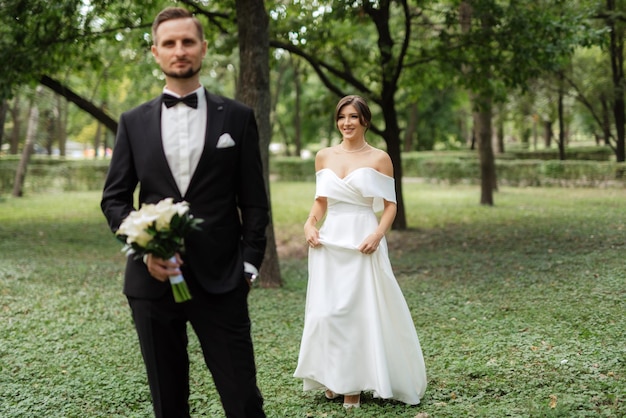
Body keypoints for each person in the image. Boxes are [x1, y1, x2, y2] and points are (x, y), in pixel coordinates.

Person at [101, 7, 269, 418]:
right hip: (151, 284)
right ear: (155, 52)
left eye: (188, 42)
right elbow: (115, 198)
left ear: (203, 48)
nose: (180, 51)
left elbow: (254, 201)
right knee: (168, 402)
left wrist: (248, 267)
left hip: (223, 280)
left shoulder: (239, 118)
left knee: (243, 400)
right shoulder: (132, 122)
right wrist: (144, 249)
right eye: (170, 43)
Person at [293, 95, 427, 409]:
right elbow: (321, 201)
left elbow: (391, 206)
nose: (347, 123)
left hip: (362, 239)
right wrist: (310, 224)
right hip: (329, 241)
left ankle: (353, 385)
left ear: (364, 120)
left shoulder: (380, 158)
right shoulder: (323, 156)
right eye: (342, 117)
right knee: (327, 312)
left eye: (353, 116)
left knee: (356, 312)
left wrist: (378, 235)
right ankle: (333, 377)